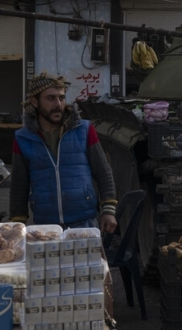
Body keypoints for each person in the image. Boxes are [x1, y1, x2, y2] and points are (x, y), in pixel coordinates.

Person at [9, 71, 118, 233]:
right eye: (50, 98)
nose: (58, 104)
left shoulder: (84, 130)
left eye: (61, 97)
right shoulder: (23, 138)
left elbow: (103, 172)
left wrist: (108, 211)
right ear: (35, 102)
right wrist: (17, 223)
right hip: (45, 225)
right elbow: (19, 184)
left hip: (85, 222)